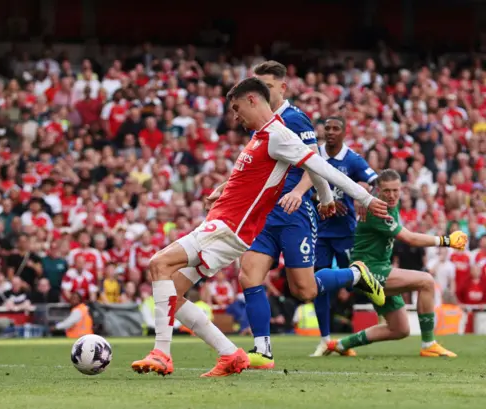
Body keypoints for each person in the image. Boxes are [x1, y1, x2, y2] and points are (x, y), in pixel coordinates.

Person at [131, 77, 388, 377]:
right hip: (224, 224)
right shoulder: (261, 135)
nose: (236, 117)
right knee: (174, 289)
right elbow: (264, 176)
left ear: (253, 100)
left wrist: (365, 198)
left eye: (238, 108)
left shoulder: (280, 133)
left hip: (228, 228)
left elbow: (320, 166)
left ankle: (162, 352)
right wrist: (224, 189)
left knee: (159, 264)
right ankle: (230, 354)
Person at [205, 62, 385, 369]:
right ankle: (263, 351)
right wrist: (227, 187)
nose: (262, 92)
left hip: (294, 214)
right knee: (248, 275)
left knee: (305, 290)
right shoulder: (261, 127)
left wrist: (305, 193)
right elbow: (255, 169)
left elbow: (313, 164)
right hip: (262, 215)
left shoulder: (293, 119)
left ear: (280, 88)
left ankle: (357, 274)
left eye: (267, 86)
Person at [326, 169, 466, 357]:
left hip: (379, 268)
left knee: (399, 329)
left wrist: (361, 191)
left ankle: (341, 345)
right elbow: (409, 239)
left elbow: (364, 182)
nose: (391, 196)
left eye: (395, 190)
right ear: (378, 191)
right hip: (367, 272)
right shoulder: (377, 209)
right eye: (387, 191)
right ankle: (429, 344)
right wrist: (446, 241)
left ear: (401, 190)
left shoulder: (387, 203)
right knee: (426, 281)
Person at [310, 116, 380, 357]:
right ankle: (324, 340)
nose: (330, 132)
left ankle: (380, 324)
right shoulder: (313, 154)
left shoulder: (352, 159)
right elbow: (301, 185)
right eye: (327, 128)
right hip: (319, 232)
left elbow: (376, 180)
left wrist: (366, 196)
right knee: (317, 285)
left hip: (346, 233)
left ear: (344, 132)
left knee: (357, 282)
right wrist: (322, 199)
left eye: (335, 128)